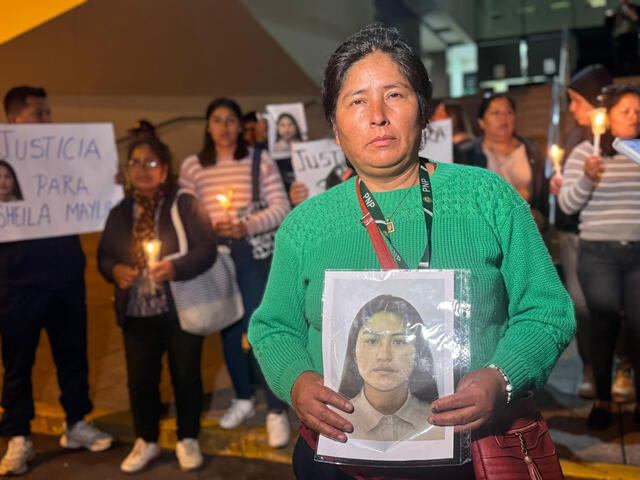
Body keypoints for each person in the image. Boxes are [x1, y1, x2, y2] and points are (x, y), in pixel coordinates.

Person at [249, 24, 574, 479]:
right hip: (343, 457)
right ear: (335, 127)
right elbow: (273, 327)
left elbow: (547, 309)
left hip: (471, 456)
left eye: (395, 95)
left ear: (423, 112)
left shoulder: (487, 198)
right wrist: (297, 382)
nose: (377, 116)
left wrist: (503, 378)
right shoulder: (305, 225)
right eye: (357, 100)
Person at [0, 86, 113, 476]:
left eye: (49, 113)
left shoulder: (63, 162)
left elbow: (94, 194)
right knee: (18, 364)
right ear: (15, 120)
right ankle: (18, 436)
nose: (47, 121)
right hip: (16, 284)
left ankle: (76, 422)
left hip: (65, 277)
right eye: (38, 114)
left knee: (72, 355)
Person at [179, 98, 292, 449]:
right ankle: (243, 397)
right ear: (207, 126)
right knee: (228, 329)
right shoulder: (193, 166)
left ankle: (275, 409)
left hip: (251, 254)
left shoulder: (258, 160)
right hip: (215, 256)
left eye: (231, 120)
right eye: (217, 120)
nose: (224, 127)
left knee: (259, 329)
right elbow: (182, 211)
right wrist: (209, 228)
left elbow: (281, 208)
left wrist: (245, 226)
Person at [98, 138, 216, 472]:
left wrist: (175, 268)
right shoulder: (120, 212)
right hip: (136, 312)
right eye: (136, 163)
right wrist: (115, 270)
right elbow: (104, 256)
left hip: (180, 307)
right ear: (127, 170)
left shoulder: (184, 203)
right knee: (140, 380)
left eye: (150, 163)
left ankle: (187, 438)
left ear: (164, 169)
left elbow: (207, 248)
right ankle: (146, 440)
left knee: (186, 375)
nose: (143, 170)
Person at [557, 84, 640, 430]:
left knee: (638, 329)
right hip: (599, 255)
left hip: (637, 253)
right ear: (607, 118)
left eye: (639, 111)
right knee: (603, 325)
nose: (634, 117)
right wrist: (587, 180)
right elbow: (567, 205)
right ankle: (604, 400)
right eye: (626, 111)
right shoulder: (584, 154)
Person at [549, 64, 613, 400]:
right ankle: (592, 367)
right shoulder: (575, 137)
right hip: (574, 233)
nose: (572, 110)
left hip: (609, 236)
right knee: (582, 304)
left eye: (577, 101)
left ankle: (623, 368)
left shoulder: (618, 139)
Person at [338, 295, 442, 442]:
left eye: (399, 342)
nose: (384, 355)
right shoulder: (336, 419)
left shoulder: (439, 422)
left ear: (418, 353)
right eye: (372, 341)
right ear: (353, 353)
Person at [461, 93, 548, 230]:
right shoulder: (467, 154)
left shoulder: (531, 149)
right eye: (496, 113)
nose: (503, 118)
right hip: (486, 230)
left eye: (509, 112)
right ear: (481, 122)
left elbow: (542, 195)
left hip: (525, 228)